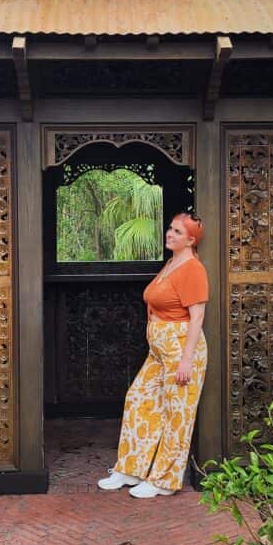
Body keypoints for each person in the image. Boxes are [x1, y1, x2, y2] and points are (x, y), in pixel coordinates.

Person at [97, 212, 209, 498]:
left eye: (177, 232)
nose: (170, 234)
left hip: (182, 349)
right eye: (170, 229)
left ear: (191, 240)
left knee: (177, 415)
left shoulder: (193, 269)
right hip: (160, 350)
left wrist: (186, 360)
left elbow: (197, 318)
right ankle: (131, 468)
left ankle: (164, 480)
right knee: (138, 399)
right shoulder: (172, 263)